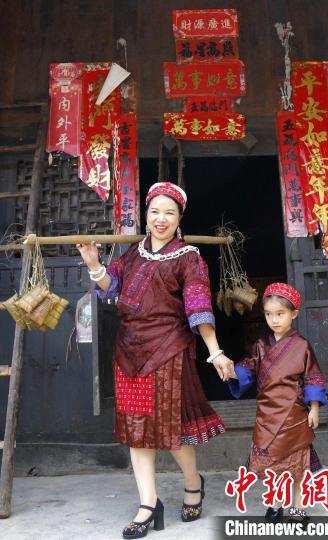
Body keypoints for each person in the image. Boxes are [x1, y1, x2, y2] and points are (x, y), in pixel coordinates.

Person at [77, 181, 234, 539]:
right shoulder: (132, 254)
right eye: (154, 211)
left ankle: (193, 483)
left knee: (171, 429)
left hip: (168, 350)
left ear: (179, 218)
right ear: (146, 216)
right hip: (129, 350)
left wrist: (215, 351)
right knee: (137, 430)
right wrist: (94, 264)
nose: (160, 219)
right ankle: (148, 503)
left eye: (169, 212)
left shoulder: (189, 257)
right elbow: (110, 287)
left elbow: (198, 306)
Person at [228, 282, 328, 525]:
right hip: (267, 415)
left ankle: (298, 507)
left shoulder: (302, 346)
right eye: (269, 314)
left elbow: (313, 376)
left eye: (280, 314)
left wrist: (314, 408)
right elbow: (248, 368)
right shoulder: (261, 346)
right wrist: (229, 369)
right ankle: (275, 504)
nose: (274, 319)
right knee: (272, 465)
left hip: (294, 416)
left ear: (294, 314)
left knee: (297, 466)